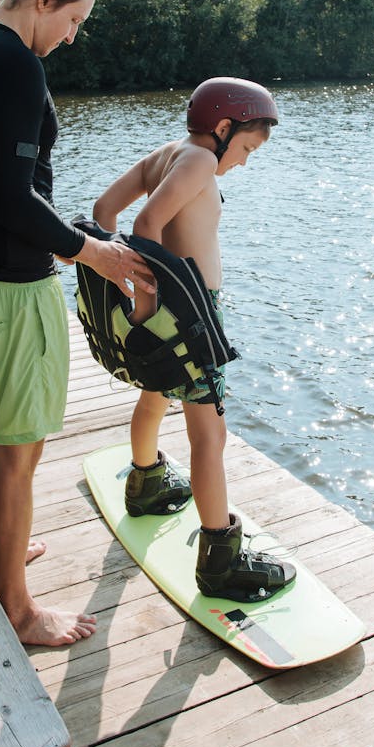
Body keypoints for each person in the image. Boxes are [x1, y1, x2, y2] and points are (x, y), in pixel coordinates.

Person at [0, 0, 154, 646]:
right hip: (9, 287)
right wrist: (91, 251)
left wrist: (65, 240)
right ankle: (16, 608)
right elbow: (13, 199)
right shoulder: (18, 67)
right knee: (19, 450)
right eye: (73, 20)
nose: (72, 36)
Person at [92, 78, 297, 601]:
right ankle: (221, 563)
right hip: (193, 314)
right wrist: (149, 295)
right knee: (209, 436)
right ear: (224, 128)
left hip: (167, 315)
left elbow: (103, 212)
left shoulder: (167, 153)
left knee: (157, 391)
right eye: (248, 147)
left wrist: (131, 290)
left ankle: (146, 484)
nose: (246, 161)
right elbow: (145, 223)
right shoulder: (202, 161)